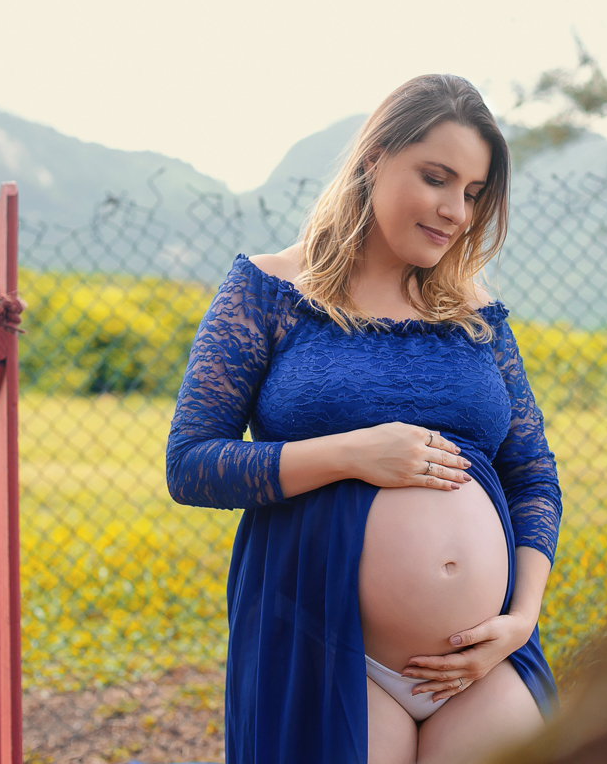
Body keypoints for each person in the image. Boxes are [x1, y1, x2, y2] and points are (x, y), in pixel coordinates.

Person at [166, 73, 562, 764]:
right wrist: (349, 453)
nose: (455, 212)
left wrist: (520, 620)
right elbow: (192, 463)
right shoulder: (268, 292)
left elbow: (532, 475)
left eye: (472, 193)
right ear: (375, 157)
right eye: (436, 178)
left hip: (479, 668)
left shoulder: (475, 313)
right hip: (324, 647)